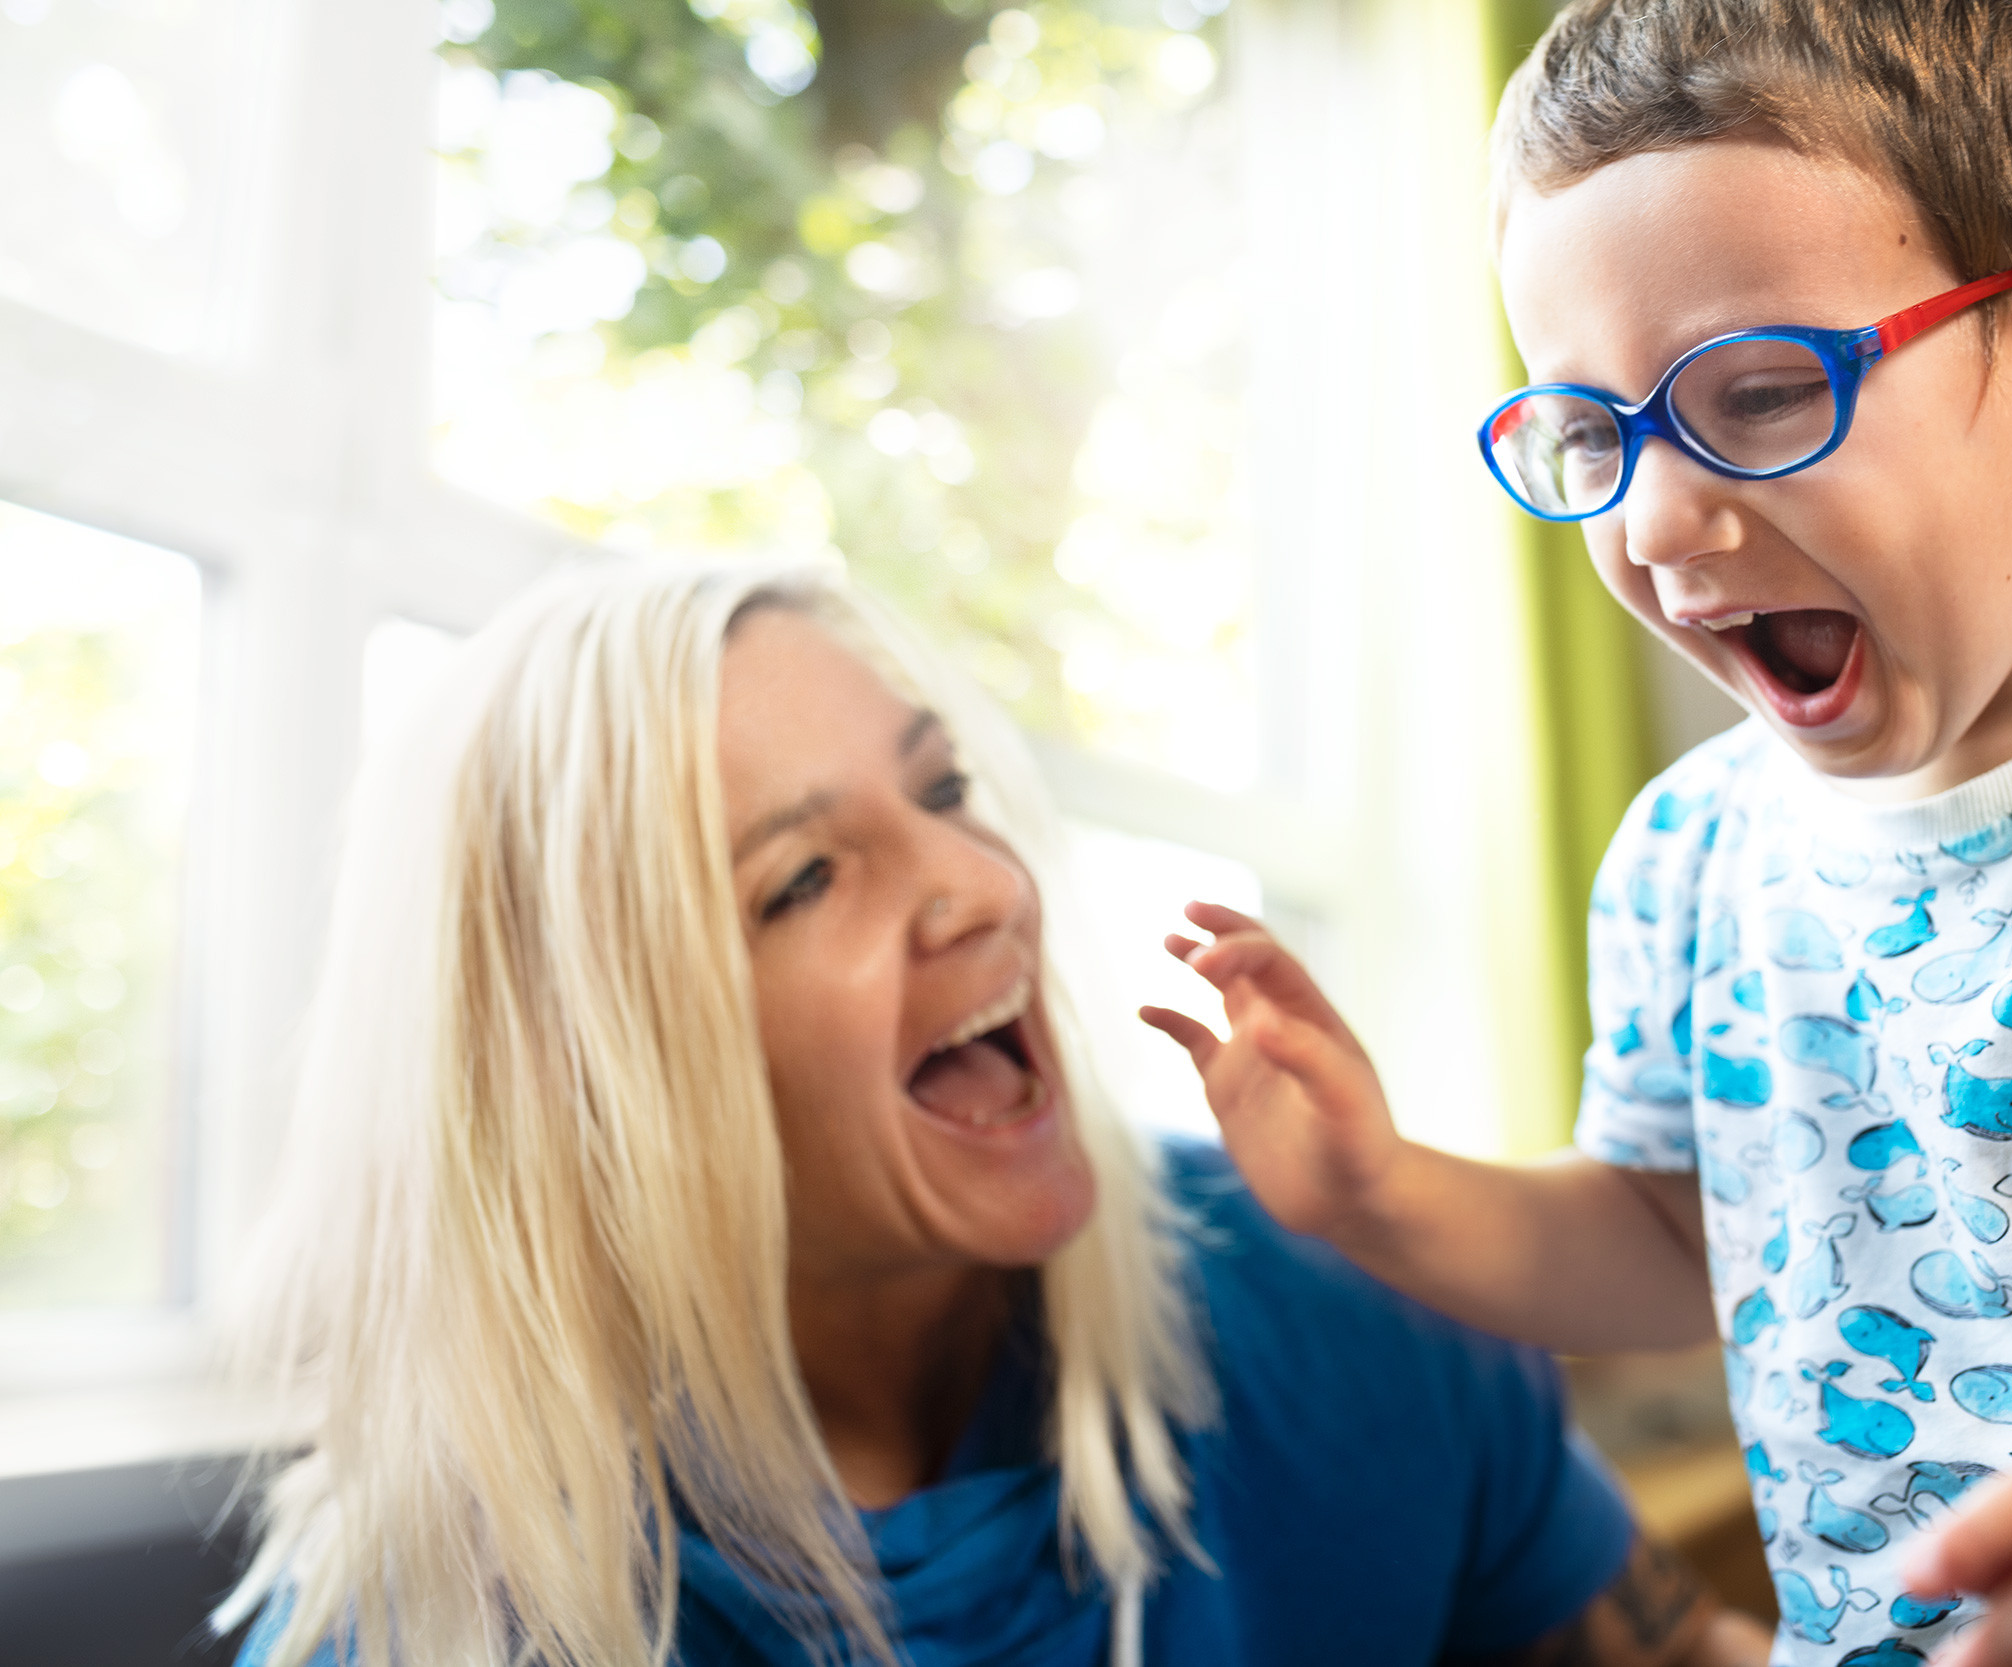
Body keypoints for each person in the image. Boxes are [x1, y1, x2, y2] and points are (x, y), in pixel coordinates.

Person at [1142, 4, 2012, 1665]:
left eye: (1765, 392)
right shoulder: (1685, 852)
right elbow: (1662, 1241)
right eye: (1587, 430)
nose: (1652, 521)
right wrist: (1379, 1195)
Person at [217, 559, 1768, 1667]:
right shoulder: (437, 1621)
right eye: (805, 879)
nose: (975, 886)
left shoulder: (1339, 1294)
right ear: (598, 1076)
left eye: (944, 794)